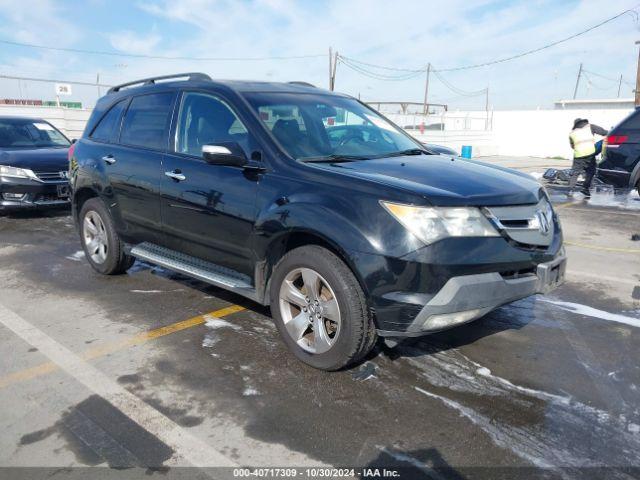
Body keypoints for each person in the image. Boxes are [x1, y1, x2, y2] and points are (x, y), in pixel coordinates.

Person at [568, 118, 607, 197]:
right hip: (590, 154)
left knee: (575, 172)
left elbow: (572, 146)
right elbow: (603, 132)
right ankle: (585, 189)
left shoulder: (572, 133)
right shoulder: (590, 127)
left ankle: (570, 190)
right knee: (590, 172)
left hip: (578, 155)